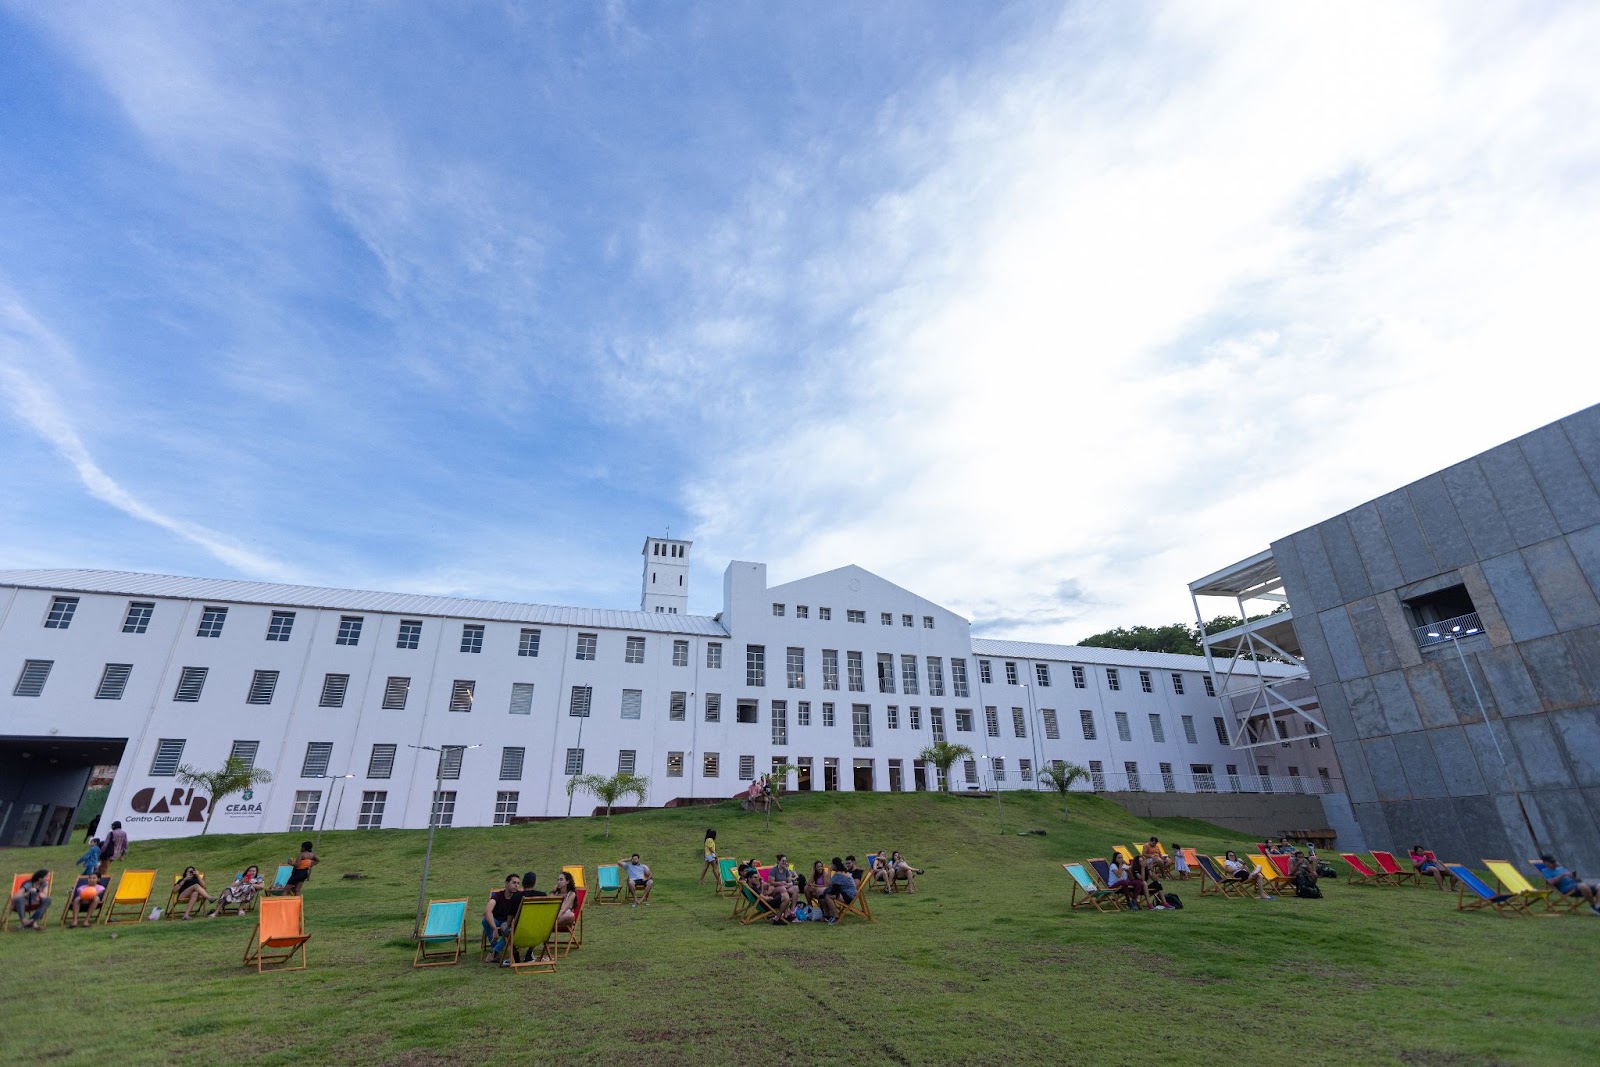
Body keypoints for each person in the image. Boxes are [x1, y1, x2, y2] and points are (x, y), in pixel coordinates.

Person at [483, 873, 523, 964]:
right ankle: (495, 947)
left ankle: (494, 951)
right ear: (506, 883)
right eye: (513, 882)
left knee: (509, 929)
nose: (516, 885)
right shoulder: (498, 895)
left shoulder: (519, 896)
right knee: (485, 921)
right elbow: (487, 912)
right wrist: (494, 929)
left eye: (518, 883)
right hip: (496, 921)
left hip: (508, 922)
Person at [820, 856, 857, 923]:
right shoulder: (844, 872)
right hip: (850, 895)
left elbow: (828, 883)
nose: (831, 866)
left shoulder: (839, 874)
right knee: (825, 894)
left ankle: (835, 916)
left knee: (828, 896)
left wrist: (829, 871)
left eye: (832, 864)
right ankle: (828, 915)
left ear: (835, 865)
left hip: (849, 897)